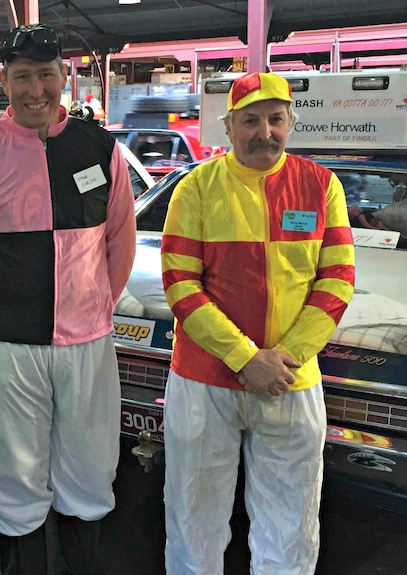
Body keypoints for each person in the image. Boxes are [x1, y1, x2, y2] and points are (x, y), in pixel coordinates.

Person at [0, 23, 137, 574]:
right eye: (22, 77)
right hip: (6, 345)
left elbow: (118, 240)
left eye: (46, 75)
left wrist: (92, 308)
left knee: (90, 471)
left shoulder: (100, 147)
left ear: (64, 79)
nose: (35, 90)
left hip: (87, 343)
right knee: (12, 478)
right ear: (4, 80)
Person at [160, 71, 356, 574]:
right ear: (228, 127)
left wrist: (282, 360)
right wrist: (247, 359)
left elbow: (337, 279)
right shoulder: (196, 188)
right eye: (250, 121)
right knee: (193, 518)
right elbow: (181, 285)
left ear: (291, 121)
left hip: (290, 381)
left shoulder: (321, 185)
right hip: (206, 381)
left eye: (275, 119)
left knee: (291, 525)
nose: (264, 131)